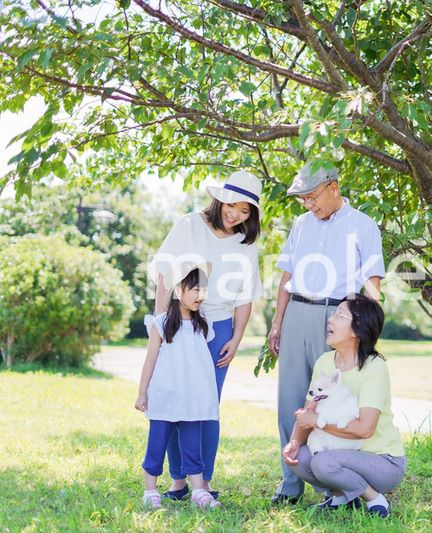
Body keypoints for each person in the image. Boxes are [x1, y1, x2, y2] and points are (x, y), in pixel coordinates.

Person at [269, 162, 385, 504]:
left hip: (339, 317)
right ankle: (290, 483)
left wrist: (366, 328)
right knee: (290, 402)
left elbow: (372, 282)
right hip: (297, 314)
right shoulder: (300, 225)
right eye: (302, 199)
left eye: (311, 196)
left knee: (329, 403)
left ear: (333, 187)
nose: (308, 204)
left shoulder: (363, 226)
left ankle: (331, 488)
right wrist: (277, 322)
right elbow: (286, 278)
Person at [149, 170, 263, 501]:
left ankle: (205, 482)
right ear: (220, 199)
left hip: (219, 328)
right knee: (174, 402)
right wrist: (160, 323)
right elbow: (164, 273)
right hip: (179, 324)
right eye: (233, 206)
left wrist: (237, 337)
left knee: (206, 406)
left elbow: (245, 297)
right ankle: (178, 481)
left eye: (245, 211)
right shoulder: (189, 225)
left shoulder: (245, 246)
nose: (236, 215)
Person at [282, 294, 405, 517]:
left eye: (339, 314)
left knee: (323, 462)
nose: (330, 319)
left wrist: (319, 422)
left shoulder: (373, 367)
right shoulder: (325, 362)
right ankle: (341, 497)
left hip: (382, 461)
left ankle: (375, 498)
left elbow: (365, 429)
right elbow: (308, 411)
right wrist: (293, 442)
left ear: (357, 329)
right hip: (341, 454)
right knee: (298, 458)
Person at [136, 262, 221, 509]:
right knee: (157, 442)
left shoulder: (203, 323)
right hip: (165, 395)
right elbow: (150, 359)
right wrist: (142, 392)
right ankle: (150, 490)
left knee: (192, 445)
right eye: (194, 289)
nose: (200, 295)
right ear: (178, 289)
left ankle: (198, 491)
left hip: (192, 398)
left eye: (203, 289)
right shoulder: (160, 323)